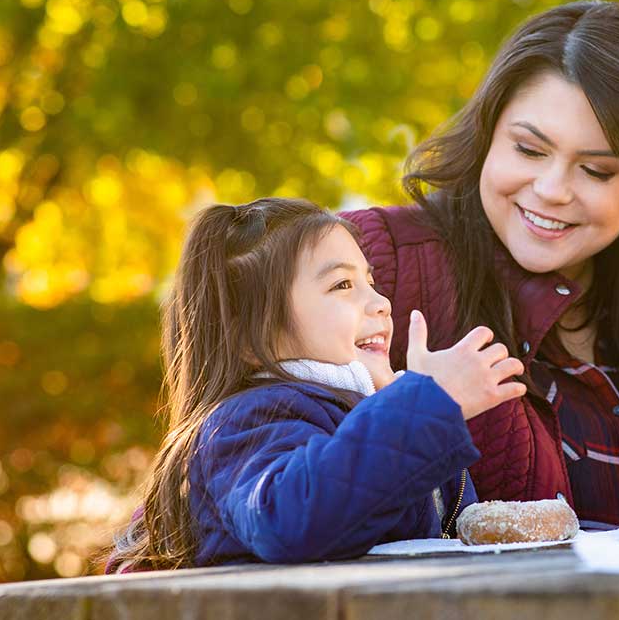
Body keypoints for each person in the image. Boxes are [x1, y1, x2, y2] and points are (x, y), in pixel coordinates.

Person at [344, 0, 619, 529]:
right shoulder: (374, 260)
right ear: (487, 134)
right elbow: (259, 479)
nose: (552, 190)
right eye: (529, 150)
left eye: (596, 171)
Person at [107, 198, 525, 569]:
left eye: (371, 281)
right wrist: (427, 407)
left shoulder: (385, 421)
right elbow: (294, 521)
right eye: (342, 284)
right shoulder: (244, 424)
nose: (381, 303)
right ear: (252, 339)